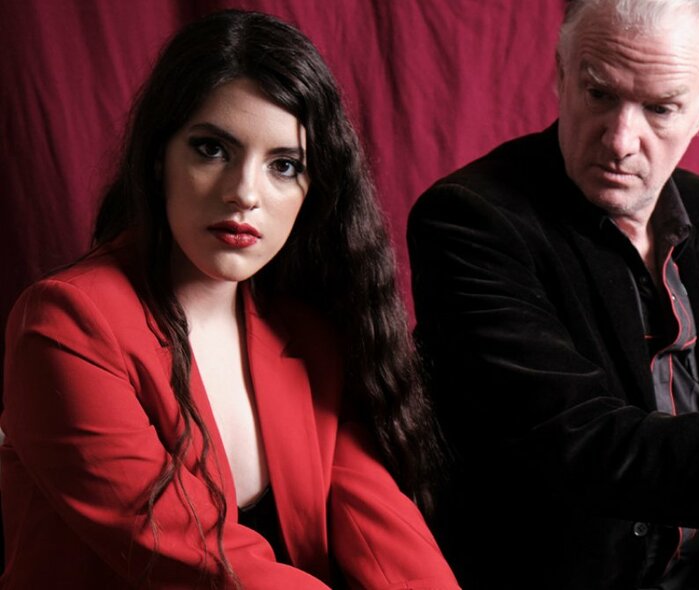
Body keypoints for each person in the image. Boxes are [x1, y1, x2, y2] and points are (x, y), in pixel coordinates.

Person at [407, 0, 699, 588]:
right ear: (560, 72)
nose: (621, 140)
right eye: (600, 93)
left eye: (660, 108)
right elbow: (583, 445)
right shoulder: (470, 220)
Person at [1, 10, 459, 590]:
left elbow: (384, 535)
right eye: (212, 148)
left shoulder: (308, 333)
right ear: (158, 154)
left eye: (284, 165)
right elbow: (202, 556)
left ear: (313, 192)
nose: (244, 193)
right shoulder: (68, 324)